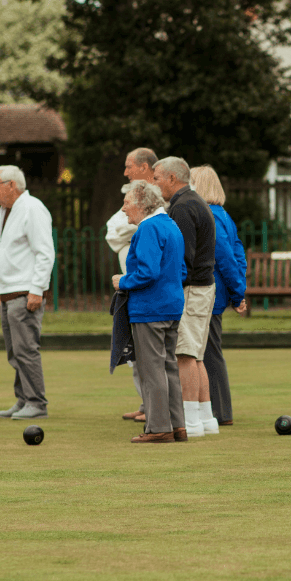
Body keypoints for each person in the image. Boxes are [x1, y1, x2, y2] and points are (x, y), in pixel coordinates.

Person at [111, 180, 186, 443]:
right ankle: (178, 426)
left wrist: (123, 281)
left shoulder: (149, 228)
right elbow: (181, 270)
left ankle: (157, 428)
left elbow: (147, 272)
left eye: (127, 202)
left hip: (150, 309)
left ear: (143, 203)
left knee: (151, 369)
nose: (123, 209)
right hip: (172, 306)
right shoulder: (170, 225)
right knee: (169, 367)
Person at [153, 156, 217, 436]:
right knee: (196, 355)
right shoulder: (194, 201)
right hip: (203, 287)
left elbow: (183, 258)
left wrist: (169, 288)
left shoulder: (183, 207)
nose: (154, 184)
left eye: (156, 178)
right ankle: (205, 418)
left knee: (185, 354)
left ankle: (190, 421)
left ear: (171, 178)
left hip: (192, 288)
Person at [0, 165, 55, 420]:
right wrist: (1, 290)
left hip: (25, 291)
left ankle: (37, 402)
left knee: (25, 349)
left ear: (11, 185)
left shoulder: (32, 208)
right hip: (9, 292)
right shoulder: (5, 210)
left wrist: (37, 290)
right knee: (14, 350)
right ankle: (24, 399)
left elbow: (44, 252)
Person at [190, 165, 247, 426]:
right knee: (210, 350)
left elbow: (225, 258)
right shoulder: (224, 215)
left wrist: (237, 294)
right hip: (222, 292)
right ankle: (215, 409)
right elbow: (238, 255)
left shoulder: (209, 216)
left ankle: (220, 412)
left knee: (210, 353)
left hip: (212, 293)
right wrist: (238, 290)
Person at [105, 147, 159, 423]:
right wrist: (130, 228)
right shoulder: (133, 196)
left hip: (144, 287)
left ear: (146, 167)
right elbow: (112, 232)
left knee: (152, 356)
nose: (125, 172)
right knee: (137, 354)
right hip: (132, 285)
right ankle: (145, 403)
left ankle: (157, 409)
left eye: (129, 166)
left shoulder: (157, 202)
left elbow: (135, 229)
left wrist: (131, 229)